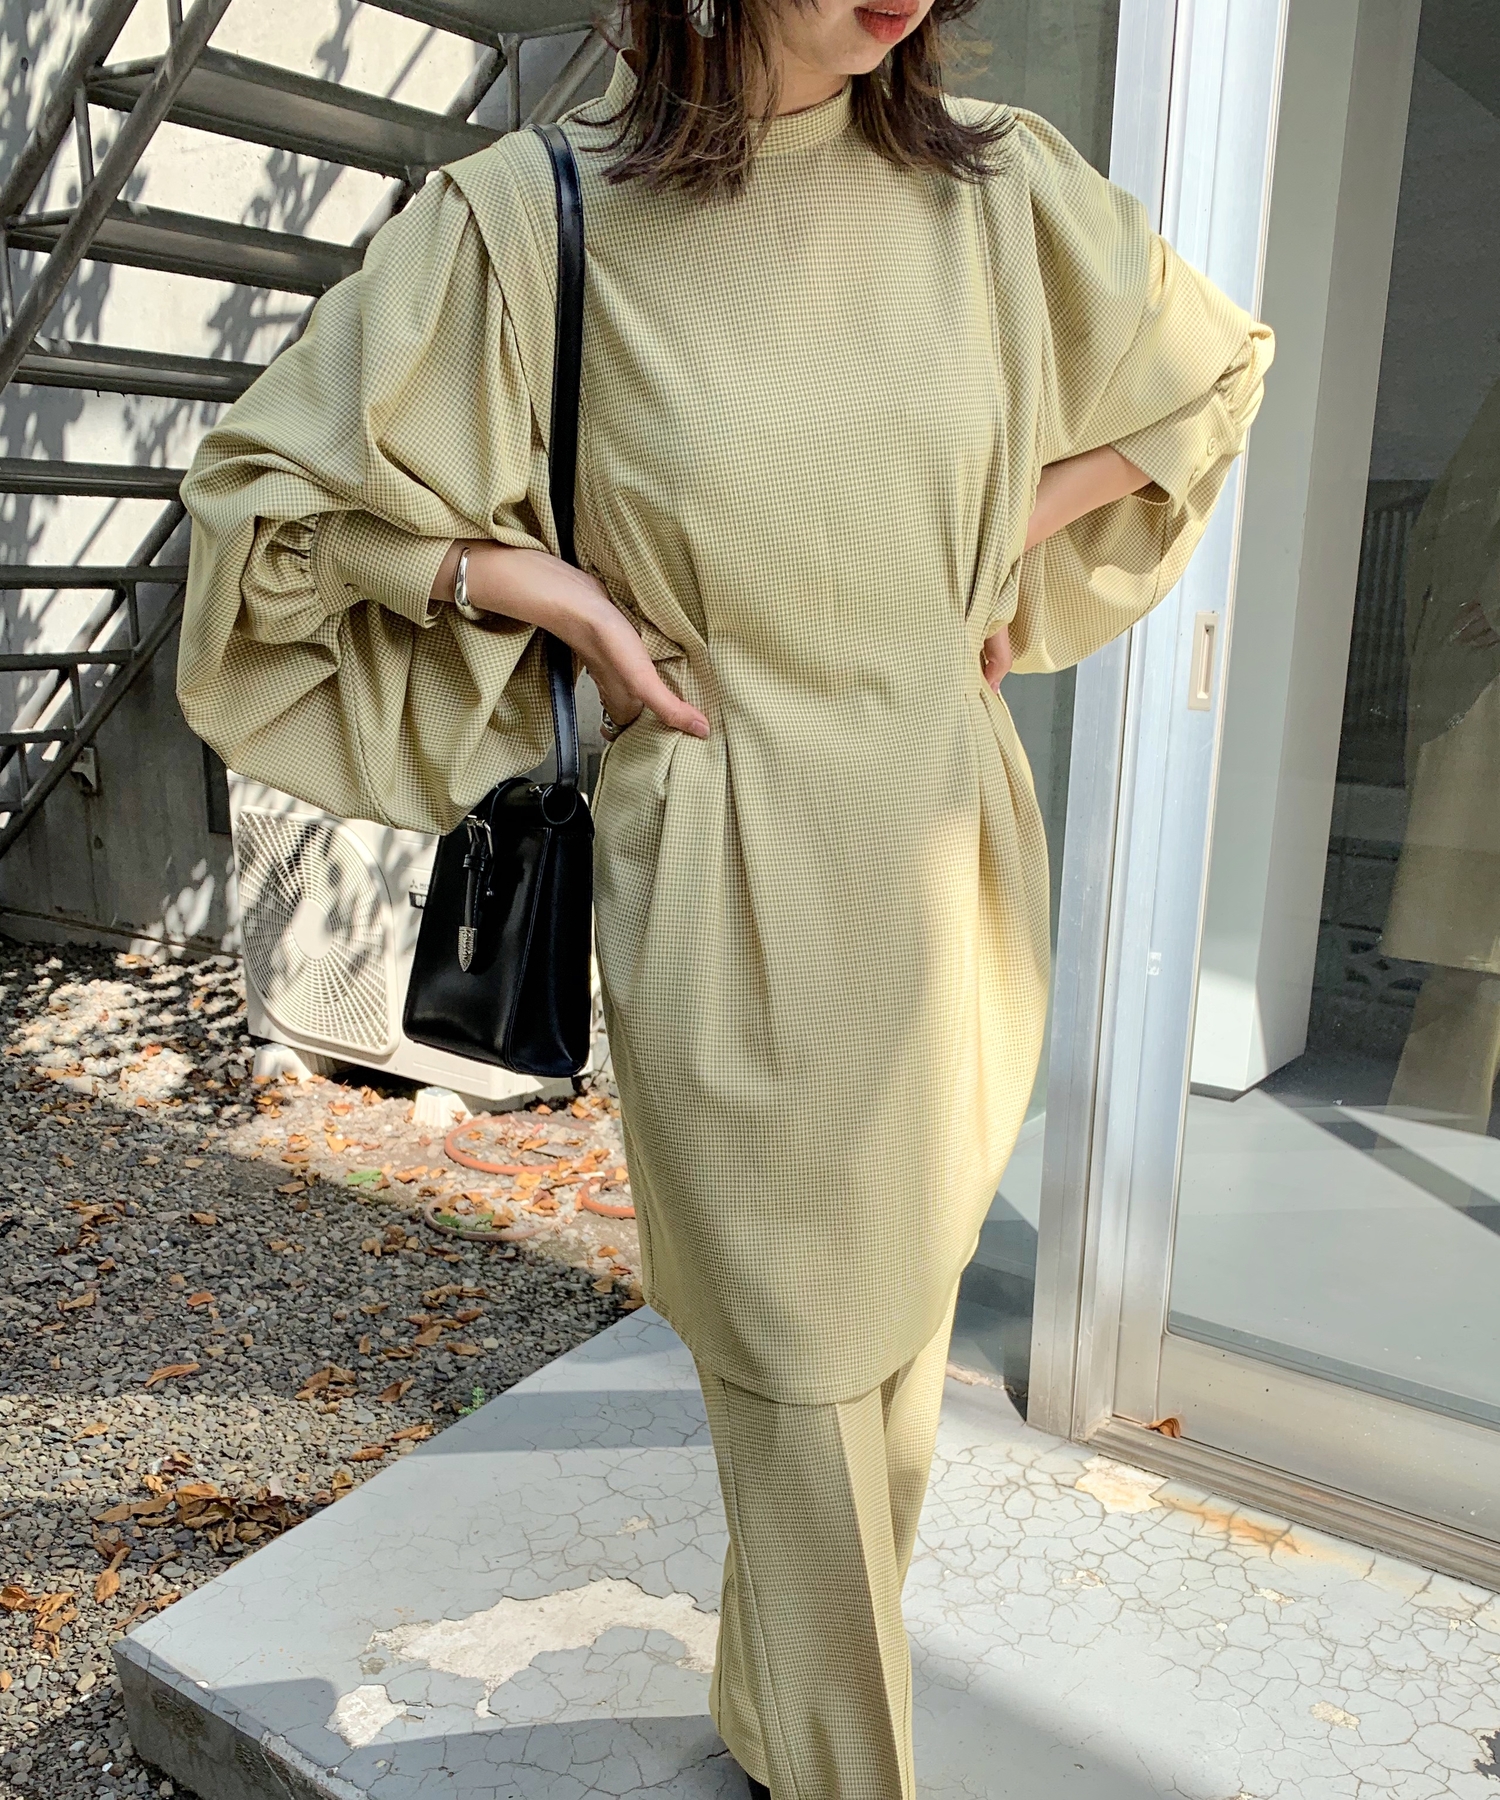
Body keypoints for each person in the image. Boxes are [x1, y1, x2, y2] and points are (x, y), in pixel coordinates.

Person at [177, 0, 1272, 1791]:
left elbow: (1213, 374)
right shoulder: (532, 219)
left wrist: (987, 542)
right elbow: (267, 516)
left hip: (945, 862)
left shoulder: (999, 190)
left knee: (888, 1347)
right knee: (804, 1354)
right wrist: (540, 591)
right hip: (726, 862)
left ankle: (774, 1712)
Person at [1383, 374, 1500, 1134]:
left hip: (1481, 682)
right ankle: (1428, 1147)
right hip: (1468, 676)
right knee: (1468, 949)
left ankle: (1427, 1149)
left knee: (1472, 948)